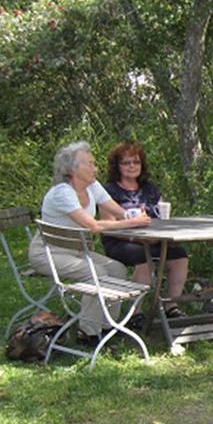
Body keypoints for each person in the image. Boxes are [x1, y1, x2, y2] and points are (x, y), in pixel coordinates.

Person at [28, 141, 151, 343]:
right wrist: (131, 222)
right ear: (72, 169)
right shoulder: (62, 193)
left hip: (77, 251)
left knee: (117, 269)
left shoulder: (92, 186)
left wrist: (135, 215)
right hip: (49, 254)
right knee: (96, 273)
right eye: (90, 164)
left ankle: (107, 325)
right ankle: (87, 331)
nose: (96, 168)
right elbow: (92, 226)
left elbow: (118, 211)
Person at [102, 141, 188, 316]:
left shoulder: (150, 189)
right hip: (121, 241)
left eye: (136, 162)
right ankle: (135, 312)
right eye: (126, 162)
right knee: (144, 258)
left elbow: (161, 214)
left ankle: (171, 306)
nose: (132, 166)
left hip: (153, 239)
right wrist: (137, 238)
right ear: (117, 166)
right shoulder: (108, 191)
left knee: (180, 255)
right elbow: (107, 226)